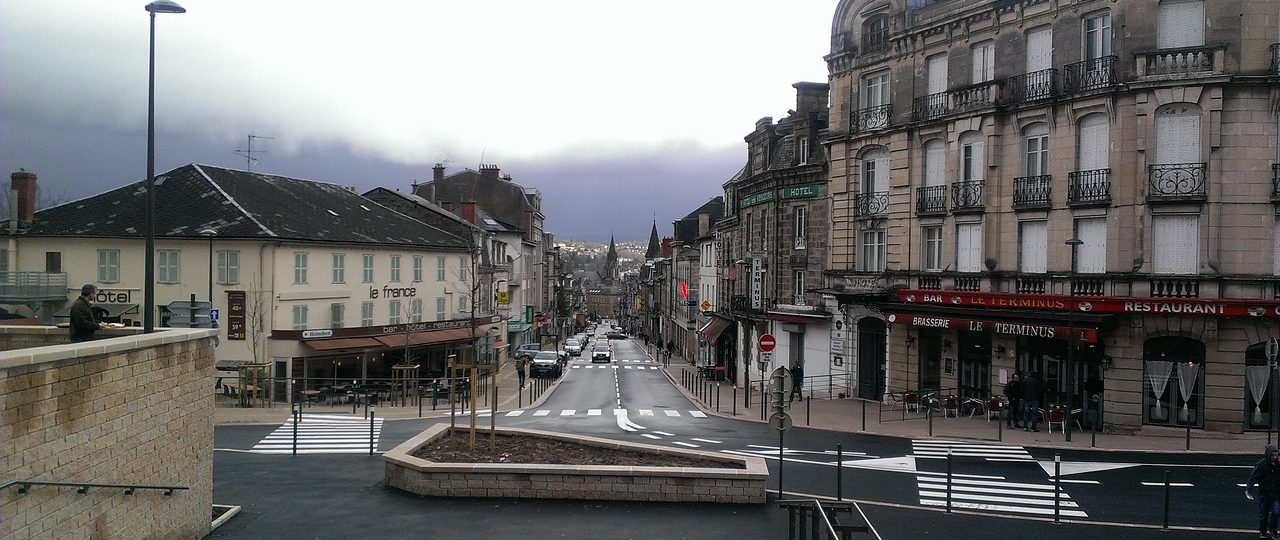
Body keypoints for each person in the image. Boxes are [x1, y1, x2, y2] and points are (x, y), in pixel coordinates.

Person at [1246, 445, 1280, 539]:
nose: (1274, 457)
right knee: (1263, 514)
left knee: (1276, 512)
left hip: (1276, 493)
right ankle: (1263, 531)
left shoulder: (1278, 465)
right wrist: (1248, 489)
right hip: (1264, 493)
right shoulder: (1261, 465)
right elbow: (1253, 477)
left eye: (1276, 455)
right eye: (1273, 455)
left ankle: (1273, 530)